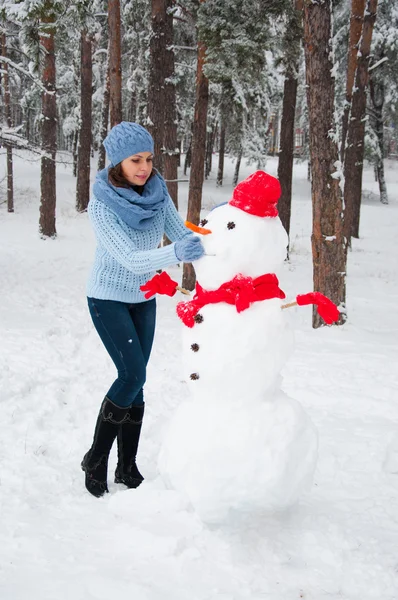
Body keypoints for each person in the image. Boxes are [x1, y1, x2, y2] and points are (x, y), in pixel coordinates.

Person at [82, 122, 204, 498]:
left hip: (143, 298)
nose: (145, 167)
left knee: (138, 381)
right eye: (136, 159)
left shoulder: (156, 193)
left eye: (149, 159)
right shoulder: (101, 204)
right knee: (131, 374)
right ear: (118, 161)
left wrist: (214, 240)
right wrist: (175, 254)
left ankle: (127, 465)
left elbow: (181, 233)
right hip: (107, 298)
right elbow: (132, 259)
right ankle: (96, 458)